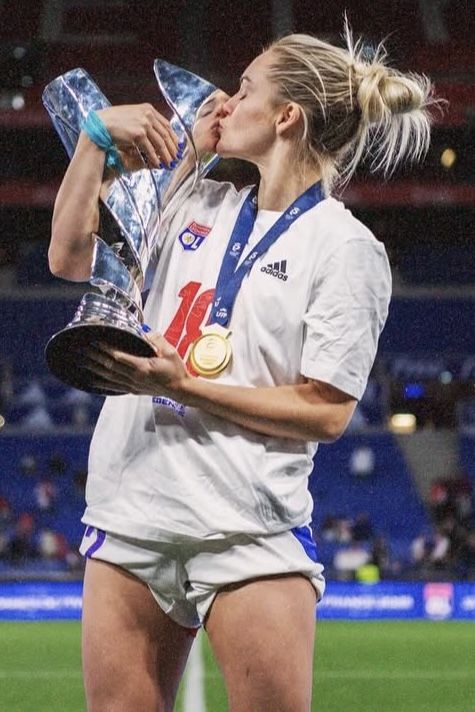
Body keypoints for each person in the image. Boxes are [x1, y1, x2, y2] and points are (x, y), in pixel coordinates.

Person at [48, 24, 436, 712]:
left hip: (246, 529)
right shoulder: (192, 200)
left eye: (245, 89)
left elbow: (326, 410)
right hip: (131, 512)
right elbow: (71, 258)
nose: (223, 102)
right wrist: (92, 141)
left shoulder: (344, 247)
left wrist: (183, 386)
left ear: (285, 117)